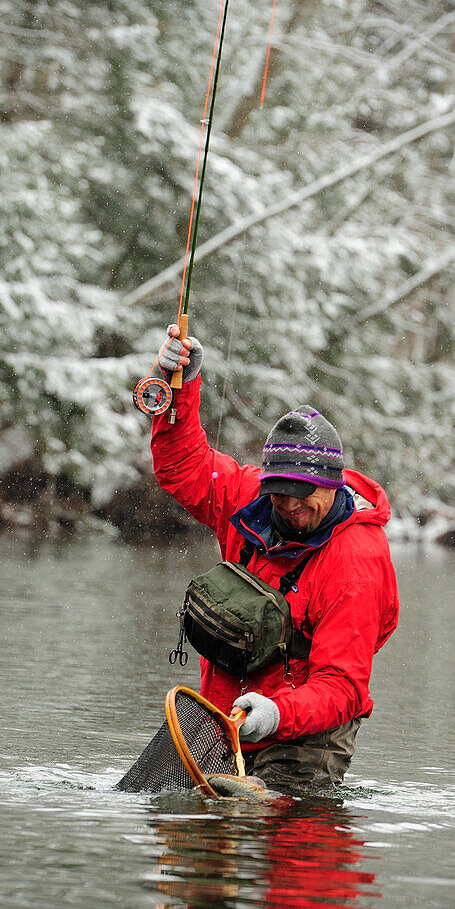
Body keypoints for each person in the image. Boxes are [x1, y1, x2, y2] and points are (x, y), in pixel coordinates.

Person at [151, 325, 399, 790]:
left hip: (311, 730)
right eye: (278, 491)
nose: (289, 505)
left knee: (280, 829)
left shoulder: (356, 564)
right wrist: (177, 387)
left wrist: (278, 712)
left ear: (331, 483)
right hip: (228, 709)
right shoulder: (249, 498)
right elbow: (182, 467)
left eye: (303, 494)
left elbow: (344, 686)